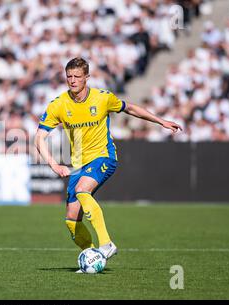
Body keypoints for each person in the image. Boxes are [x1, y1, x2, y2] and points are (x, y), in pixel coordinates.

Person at [34, 57, 182, 272]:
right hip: (78, 165)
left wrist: (161, 121)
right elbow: (39, 137)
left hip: (103, 156)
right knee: (72, 222)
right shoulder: (58, 104)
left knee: (82, 190)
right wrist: (54, 165)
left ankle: (106, 244)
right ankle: (94, 258)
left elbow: (130, 108)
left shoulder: (102, 98)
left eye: (77, 76)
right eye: (69, 77)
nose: (73, 80)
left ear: (87, 77)